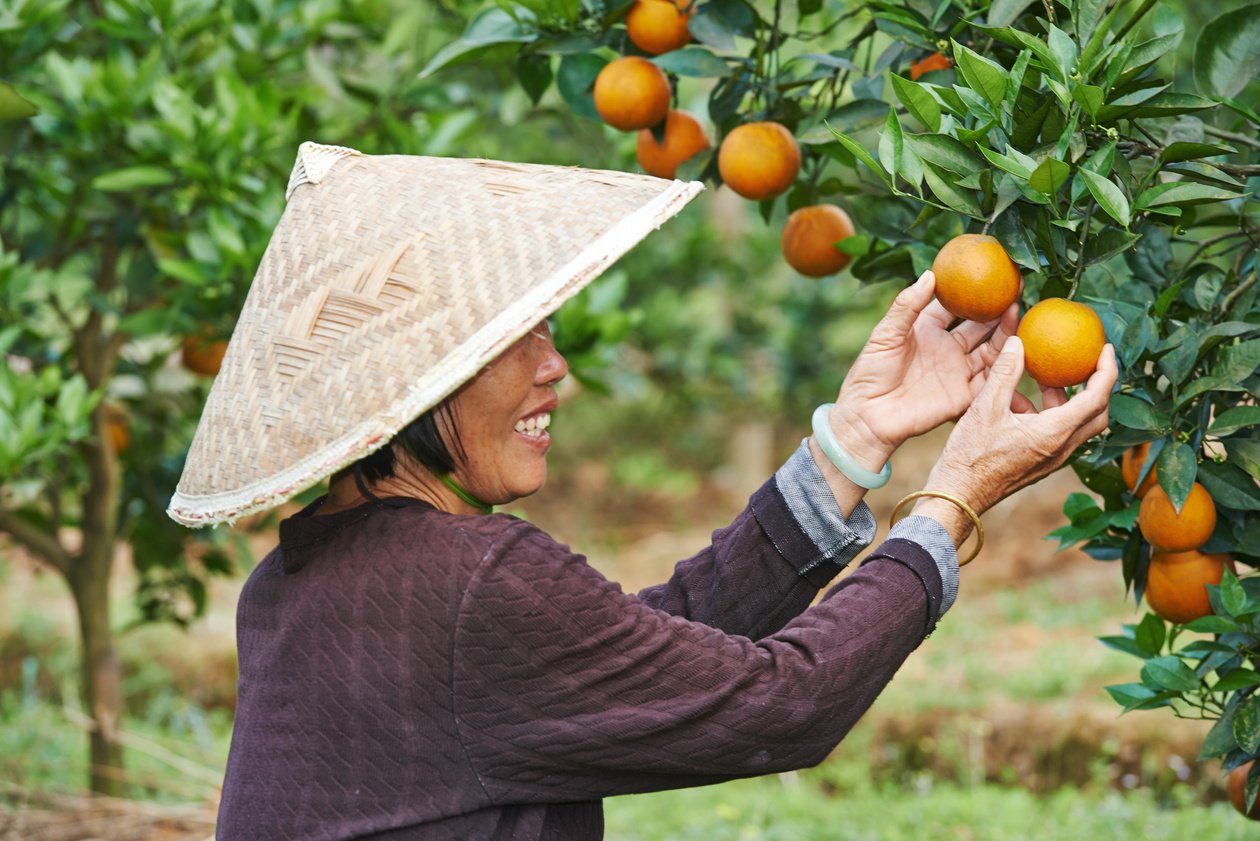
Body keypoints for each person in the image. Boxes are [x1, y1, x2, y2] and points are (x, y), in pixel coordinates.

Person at [170, 146, 1116, 840]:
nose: (558, 370)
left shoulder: (300, 579)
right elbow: (784, 704)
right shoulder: (470, 582)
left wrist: (859, 438)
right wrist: (952, 500)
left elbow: (634, 654)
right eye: (521, 340)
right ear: (419, 378)